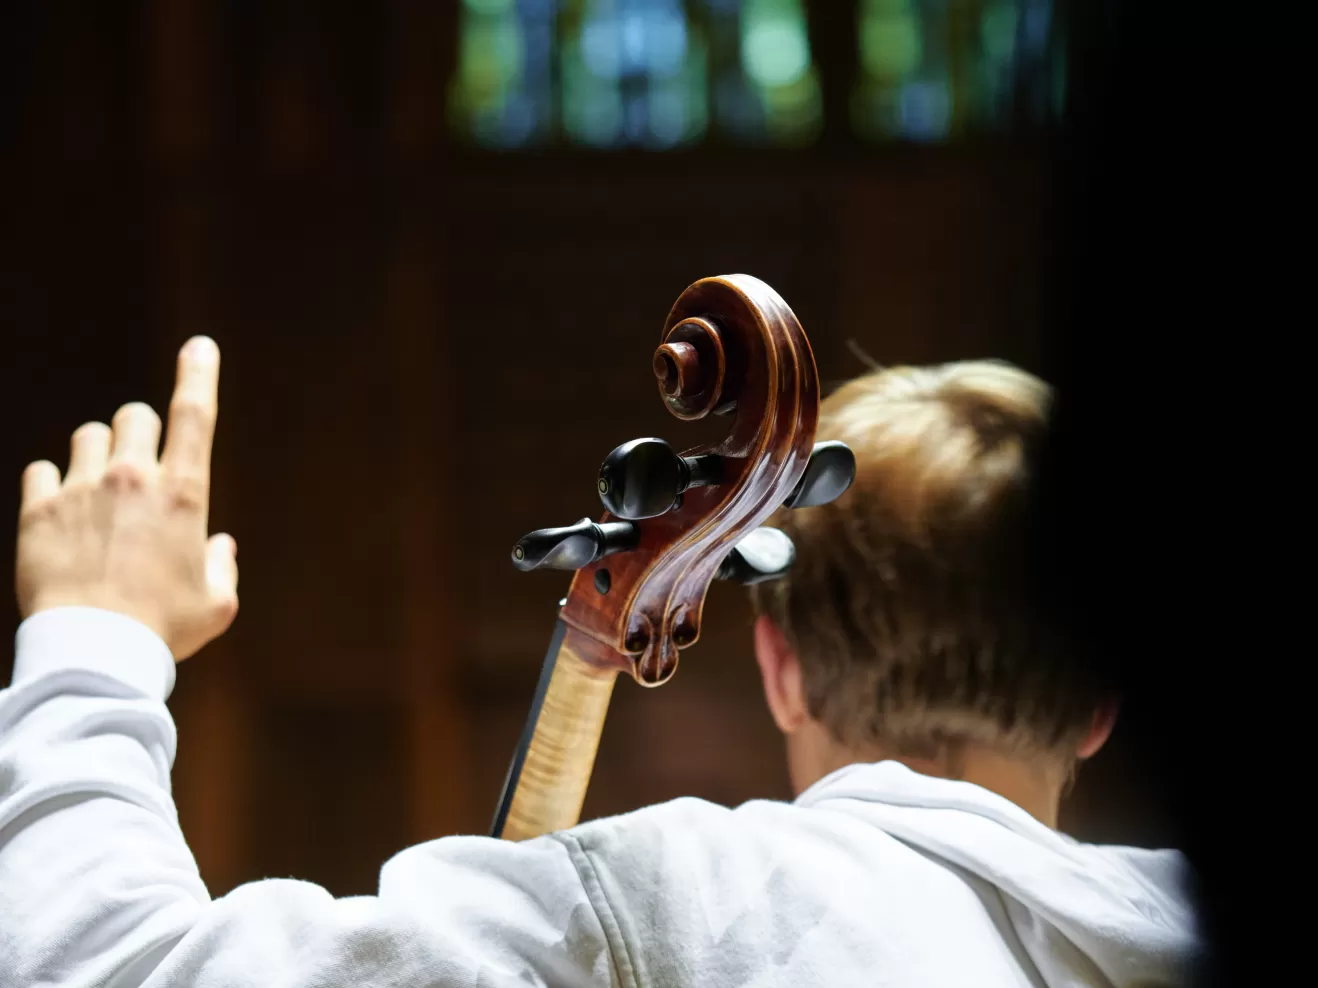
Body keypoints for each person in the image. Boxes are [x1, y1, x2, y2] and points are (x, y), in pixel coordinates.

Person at [0, 337, 1200, 987]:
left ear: (775, 664)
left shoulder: (689, 906)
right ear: (1099, 706)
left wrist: (93, 637)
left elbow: (107, 971)